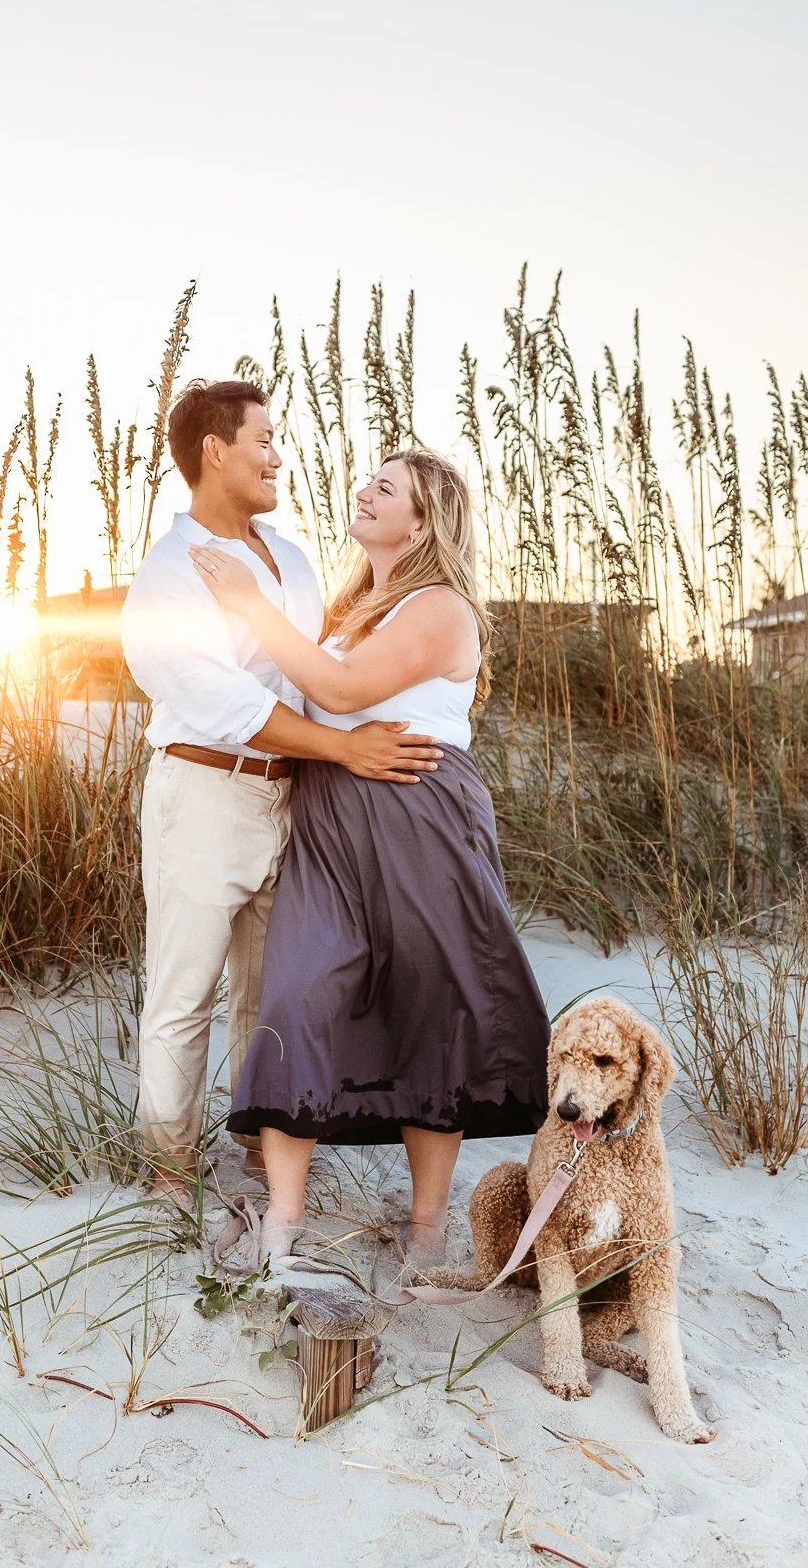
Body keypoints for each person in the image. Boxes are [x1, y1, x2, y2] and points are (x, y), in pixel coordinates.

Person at [189, 447, 551, 1268]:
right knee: (298, 994)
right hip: (329, 817)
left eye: (385, 489)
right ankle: (283, 1216)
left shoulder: (440, 607)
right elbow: (314, 695)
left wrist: (251, 605)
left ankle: (425, 1229)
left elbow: (345, 693)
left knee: (435, 1007)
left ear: (422, 522)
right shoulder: (351, 604)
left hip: (419, 816)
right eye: (369, 480)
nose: (364, 491)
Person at [120, 381, 442, 1199]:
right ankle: (168, 1173)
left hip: (293, 799)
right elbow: (225, 702)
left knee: (274, 995)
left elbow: (320, 672)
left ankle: (267, 1153)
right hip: (204, 794)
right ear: (213, 451)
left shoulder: (290, 561)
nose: (277, 456)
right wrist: (343, 748)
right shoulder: (169, 575)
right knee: (183, 995)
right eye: (263, 440)